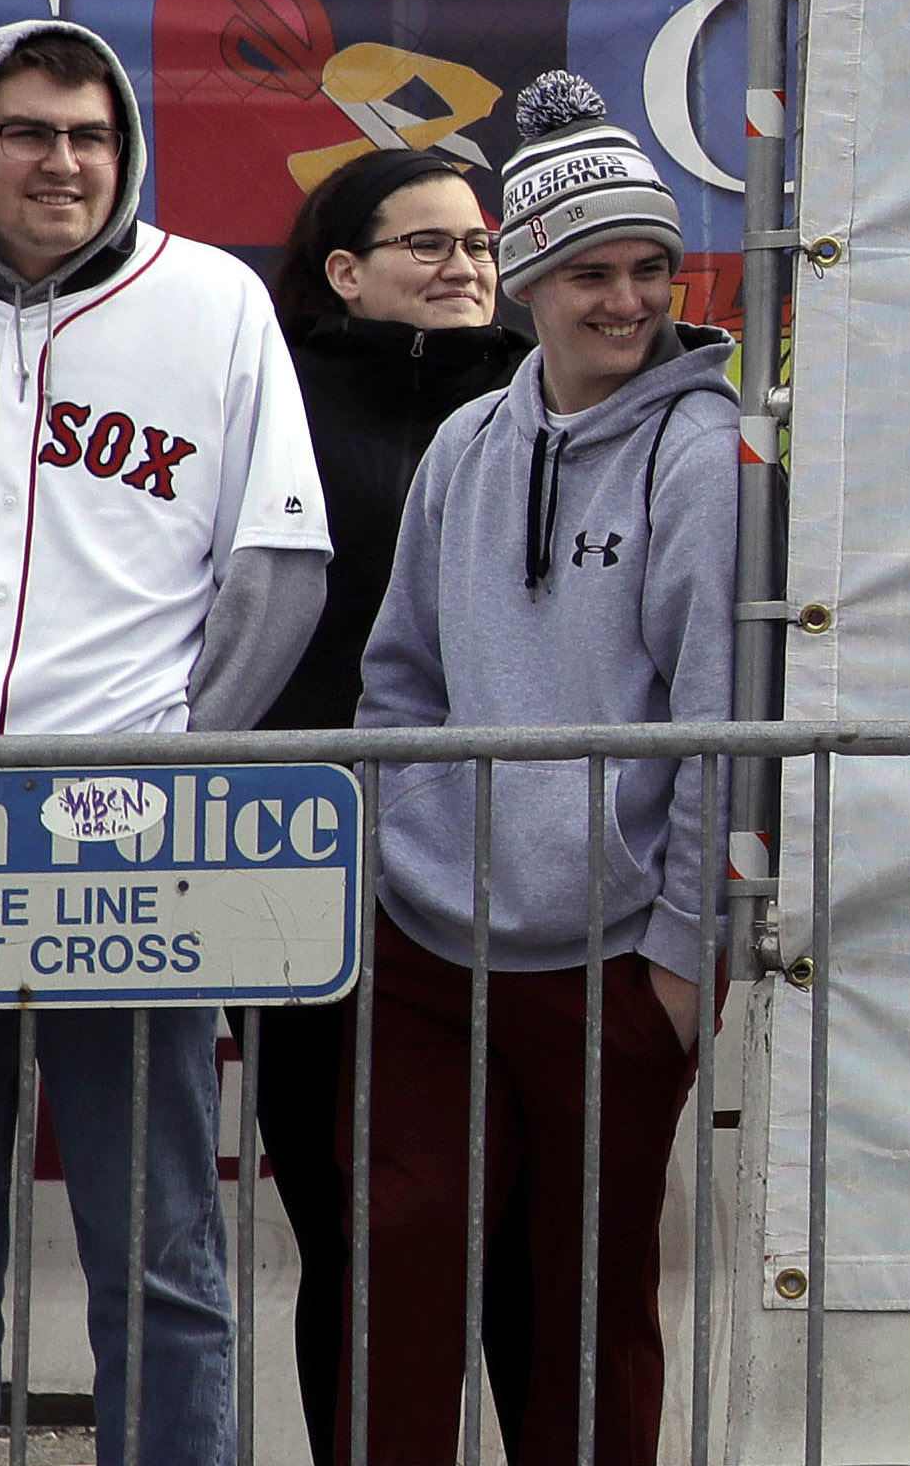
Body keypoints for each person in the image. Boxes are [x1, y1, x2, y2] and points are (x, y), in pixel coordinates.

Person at [0, 20, 329, 1465]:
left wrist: (182, 754)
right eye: (28, 131)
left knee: (164, 1256)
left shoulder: (212, 301)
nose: (64, 162)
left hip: (123, 836)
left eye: (92, 135)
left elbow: (276, 562)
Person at [356, 71, 735, 1466]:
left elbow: (718, 726)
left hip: (610, 957)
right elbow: (398, 673)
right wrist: (408, 844)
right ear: (523, 279)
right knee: (398, 1254)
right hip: (429, 941)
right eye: (590, 273)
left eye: (649, 268)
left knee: (587, 1300)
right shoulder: (467, 441)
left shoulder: (705, 455)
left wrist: (680, 963)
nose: (627, 301)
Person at [256, 148, 537, 1466]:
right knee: (356, 1227)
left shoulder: (550, 399)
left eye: (478, 243)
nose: (463, 266)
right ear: (344, 269)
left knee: (532, 1237)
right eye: (426, 244)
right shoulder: (273, 405)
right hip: (321, 879)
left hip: (522, 878)